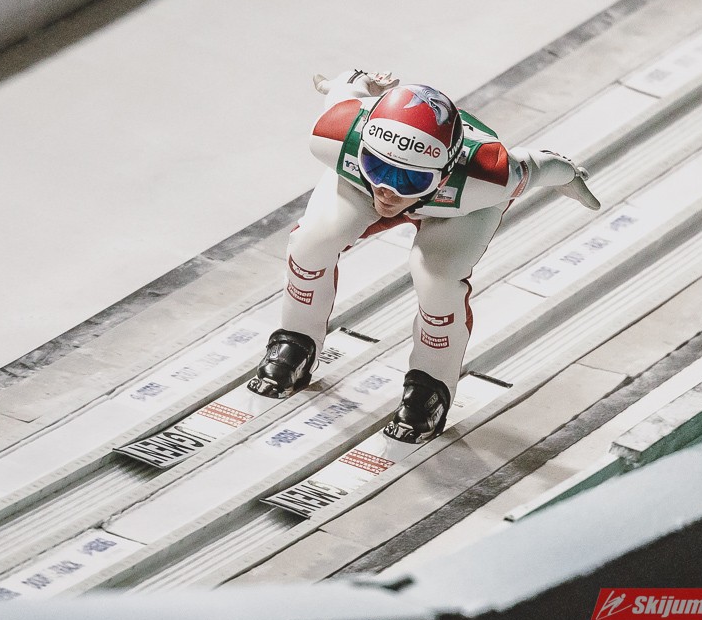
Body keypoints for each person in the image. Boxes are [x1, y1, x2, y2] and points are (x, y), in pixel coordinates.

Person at [247, 69, 600, 443]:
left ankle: (431, 383)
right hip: (424, 193)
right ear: (362, 145)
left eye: (410, 179)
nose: (388, 191)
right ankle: (296, 338)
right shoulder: (335, 133)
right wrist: (355, 85)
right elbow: (345, 93)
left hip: (459, 205)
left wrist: (565, 172)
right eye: (378, 167)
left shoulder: (488, 176)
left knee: (437, 278)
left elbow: (540, 165)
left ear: (446, 173)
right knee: (313, 242)